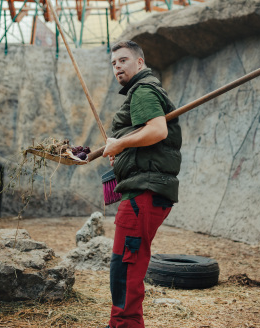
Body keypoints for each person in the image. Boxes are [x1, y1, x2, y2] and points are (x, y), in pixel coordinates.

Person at [102, 40, 182, 328]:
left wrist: (120, 143)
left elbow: (157, 130)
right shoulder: (143, 90)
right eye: (113, 63)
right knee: (125, 268)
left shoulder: (143, 90)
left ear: (139, 62)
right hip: (145, 191)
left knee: (125, 269)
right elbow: (146, 138)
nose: (117, 67)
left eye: (123, 60)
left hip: (143, 195)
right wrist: (122, 153)